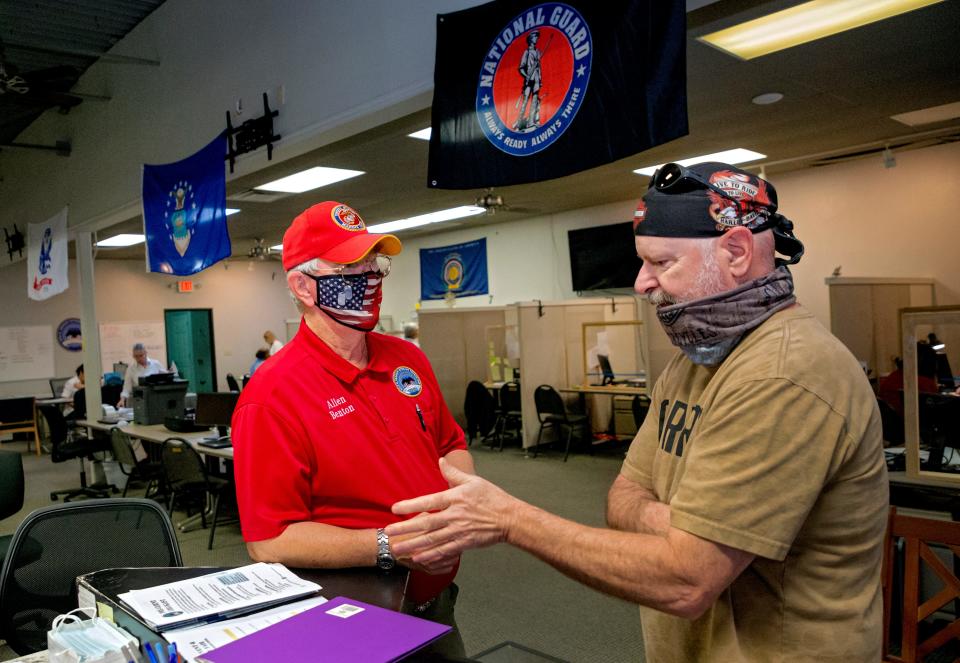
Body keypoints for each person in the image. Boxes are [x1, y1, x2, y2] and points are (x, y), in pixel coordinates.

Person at [387, 162, 888, 661]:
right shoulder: (694, 363)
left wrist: (511, 520)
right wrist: (679, 528)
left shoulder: (782, 374)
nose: (641, 283)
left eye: (661, 263)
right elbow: (622, 496)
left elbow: (686, 580)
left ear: (736, 251)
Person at [231, 201, 475, 657]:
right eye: (350, 269)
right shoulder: (272, 397)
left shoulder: (409, 359)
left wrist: (456, 507)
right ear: (303, 286)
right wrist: (391, 544)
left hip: (437, 603)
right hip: (355, 612)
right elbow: (269, 539)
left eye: (373, 265)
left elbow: (450, 444)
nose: (369, 279)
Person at [877, 342, 941, 418]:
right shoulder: (925, 383)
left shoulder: (893, 376)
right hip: (910, 426)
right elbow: (935, 411)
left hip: (889, 426)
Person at [118, 343, 163, 407]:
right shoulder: (131, 368)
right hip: (139, 401)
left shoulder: (156, 364)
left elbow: (166, 378)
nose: (138, 358)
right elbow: (126, 388)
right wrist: (122, 400)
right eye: (136, 356)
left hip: (155, 399)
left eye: (141, 355)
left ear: (146, 353)